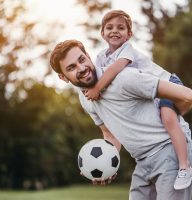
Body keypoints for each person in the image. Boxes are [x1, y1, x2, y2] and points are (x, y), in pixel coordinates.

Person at [49, 39, 192, 200]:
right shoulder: (85, 99)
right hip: (142, 161)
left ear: (88, 56)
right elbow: (110, 134)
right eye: (71, 67)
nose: (81, 68)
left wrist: (174, 120)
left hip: (169, 151)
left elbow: (187, 95)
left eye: (81, 60)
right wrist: (107, 163)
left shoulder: (123, 79)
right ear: (63, 77)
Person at [82, 10, 191, 190]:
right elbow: (101, 74)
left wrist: (97, 89)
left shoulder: (127, 50)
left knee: (168, 119)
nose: (114, 31)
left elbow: (116, 69)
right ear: (102, 33)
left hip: (167, 83)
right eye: (109, 27)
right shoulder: (101, 56)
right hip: (150, 93)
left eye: (121, 28)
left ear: (129, 34)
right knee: (159, 120)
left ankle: (184, 166)